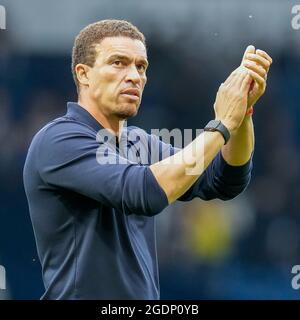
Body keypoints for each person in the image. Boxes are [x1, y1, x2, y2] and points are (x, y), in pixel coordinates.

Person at [23, 19, 272, 299]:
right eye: (119, 63)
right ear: (84, 74)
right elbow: (145, 192)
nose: (134, 76)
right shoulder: (58, 139)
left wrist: (242, 115)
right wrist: (222, 124)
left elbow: (224, 180)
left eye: (141, 67)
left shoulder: (138, 142)